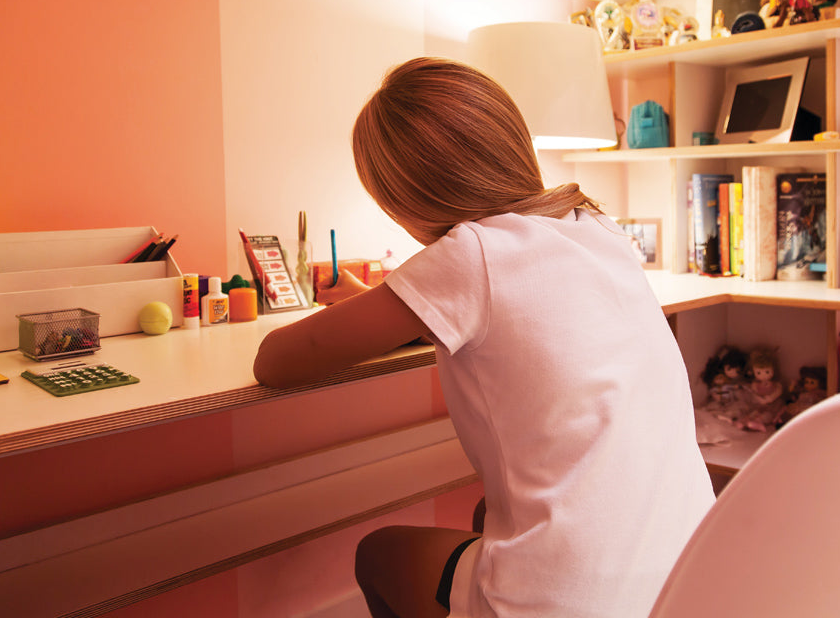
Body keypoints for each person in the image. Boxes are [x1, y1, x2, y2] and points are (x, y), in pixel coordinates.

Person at [254, 58, 715, 618]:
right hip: (687, 580)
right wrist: (372, 303)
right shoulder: (596, 227)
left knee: (378, 554)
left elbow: (276, 361)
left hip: (568, 604)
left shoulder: (471, 252)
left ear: (403, 196)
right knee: (484, 515)